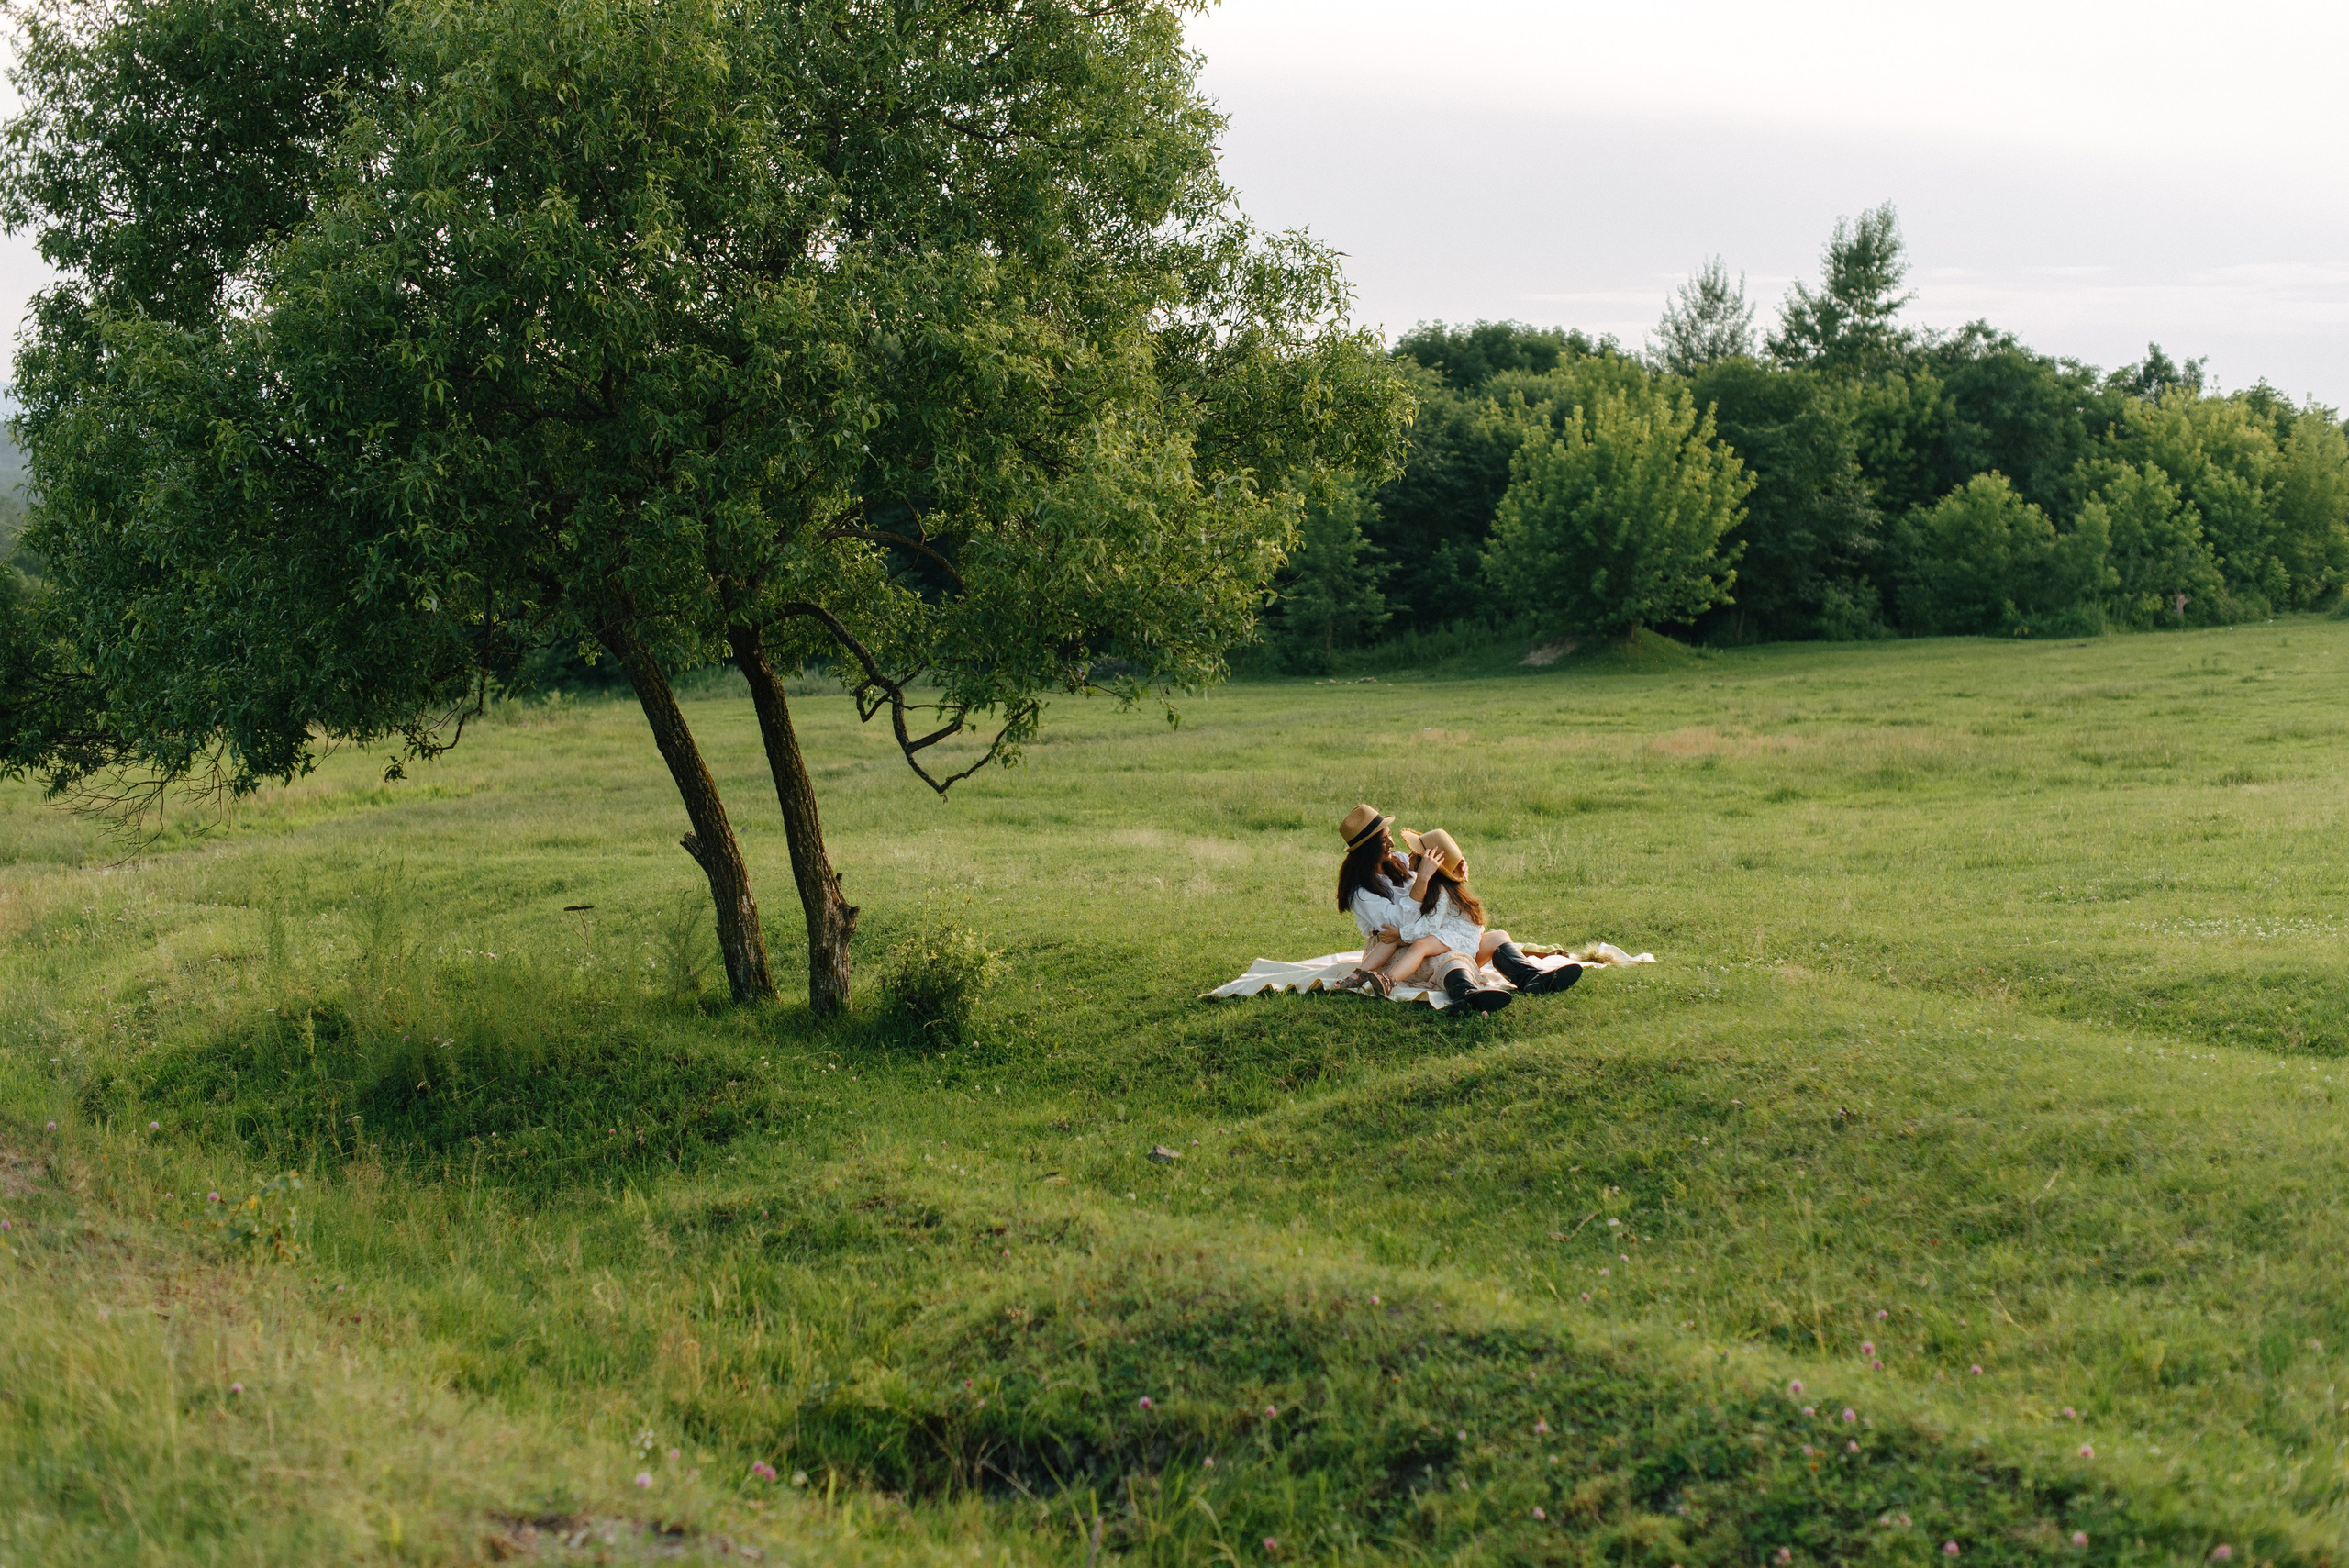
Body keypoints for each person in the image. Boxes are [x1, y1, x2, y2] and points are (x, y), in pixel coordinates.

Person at [1331, 804, 1412, 995]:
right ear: (1368, 848)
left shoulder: (1401, 861)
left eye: (1389, 835)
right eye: (1383, 840)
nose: (1391, 843)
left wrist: (1456, 866)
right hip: (1387, 944)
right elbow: (1395, 923)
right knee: (1437, 958)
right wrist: (1422, 883)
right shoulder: (1359, 891)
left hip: (1415, 934)